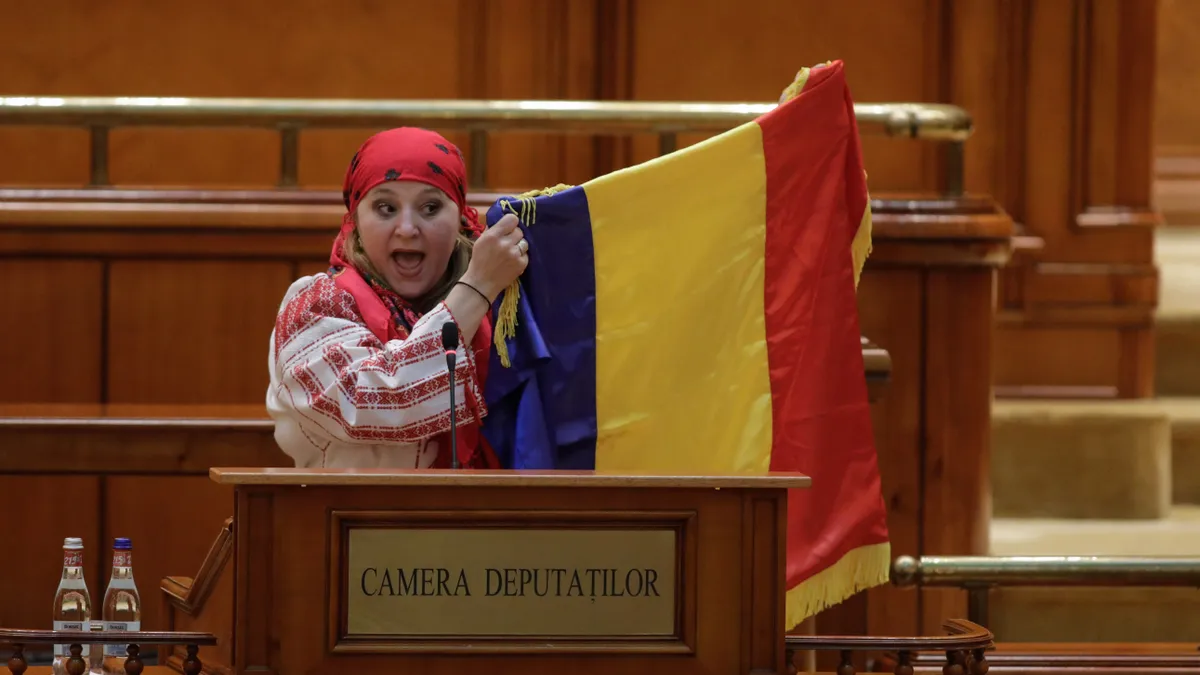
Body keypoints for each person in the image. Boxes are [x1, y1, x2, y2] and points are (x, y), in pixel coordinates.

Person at [266, 127, 528, 468]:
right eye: (385, 207)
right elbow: (372, 404)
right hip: (345, 517)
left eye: (431, 207)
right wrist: (476, 288)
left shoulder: (503, 306)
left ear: (461, 217)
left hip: (484, 514)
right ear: (355, 221)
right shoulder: (316, 304)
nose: (407, 228)